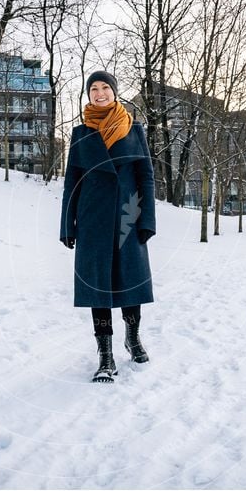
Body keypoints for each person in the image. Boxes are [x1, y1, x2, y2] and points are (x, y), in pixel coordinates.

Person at [60, 70, 156, 383]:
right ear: (88, 95)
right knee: (97, 287)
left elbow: (146, 177)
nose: (99, 93)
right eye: (94, 89)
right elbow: (71, 181)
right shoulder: (80, 133)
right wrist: (67, 224)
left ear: (115, 92)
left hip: (129, 215)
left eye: (105, 88)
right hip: (93, 219)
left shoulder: (134, 129)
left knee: (131, 282)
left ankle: (133, 337)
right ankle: (105, 355)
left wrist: (148, 219)